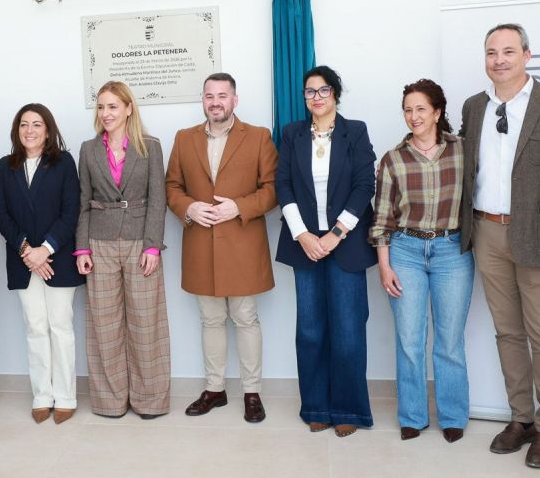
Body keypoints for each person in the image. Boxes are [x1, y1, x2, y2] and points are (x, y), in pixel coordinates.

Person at [458, 23, 540, 469]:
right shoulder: (475, 107)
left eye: (509, 51)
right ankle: (521, 418)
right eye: (491, 51)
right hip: (487, 231)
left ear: (528, 55)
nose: (499, 60)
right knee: (507, 331)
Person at [165, 72, 277, 423]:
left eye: (222, 95)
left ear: (234, 100)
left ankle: (251, 392)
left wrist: (239, 206)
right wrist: (189, 207)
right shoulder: (184, 139)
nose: (215, 101)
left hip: (242, 245)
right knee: (210, 320)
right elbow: (172, 187)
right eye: (209, 96)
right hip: (200, 243)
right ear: (203, 100)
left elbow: (273, 189)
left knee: (245, 319)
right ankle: (215, 389)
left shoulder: (258, 137)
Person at [275, 66, 377, 436]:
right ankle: (316, 406)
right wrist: (303, 235)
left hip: (344, 243)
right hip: (305, 245)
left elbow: (366, 184)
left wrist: (337, 233)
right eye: (309, 92)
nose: (316, 98)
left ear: (335, 94)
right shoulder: (292, 134)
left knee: (348, 330)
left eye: (323, 91)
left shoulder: (356, 131)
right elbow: (282, 185)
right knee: (311, 331)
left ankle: (349, 411)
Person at [370, 80, 473, 442]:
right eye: (407, 110)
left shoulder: (463, 151)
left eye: (420, 109)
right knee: (410, 339)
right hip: (406, 251)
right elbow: (382, 218)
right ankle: (412, 415)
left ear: (437, 112)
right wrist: (385, 265)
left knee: (449, 340)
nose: (413, 116)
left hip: (452, 251)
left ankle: (453, 415)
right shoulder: (394, 158)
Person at [75, 81, 171, 419]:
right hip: (99, 243)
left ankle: (150, 400)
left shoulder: (151, 147)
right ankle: (109, 401)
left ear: (129, 108)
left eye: (113, 106)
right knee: (104, 324)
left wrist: (153, 247)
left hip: (139, 242)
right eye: (101, 107)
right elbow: (83, 202)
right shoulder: (88, 150)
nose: (106, 113)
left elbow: (158, 201)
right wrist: (82, 248)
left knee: (146, 323)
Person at [0, 104, 85, 424]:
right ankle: (42, 396)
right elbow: (1, 215)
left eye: (37, 124)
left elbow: (71, 211)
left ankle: (66, 396)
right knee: (35, 328)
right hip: (23, 261)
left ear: (48, 129)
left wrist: (44, 250)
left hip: (57, 258)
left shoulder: (63, 163)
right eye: (23, 125)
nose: (29, 130)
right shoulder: (6, 166)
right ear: (17, 130)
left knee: (60, 327)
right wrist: (26, 251)